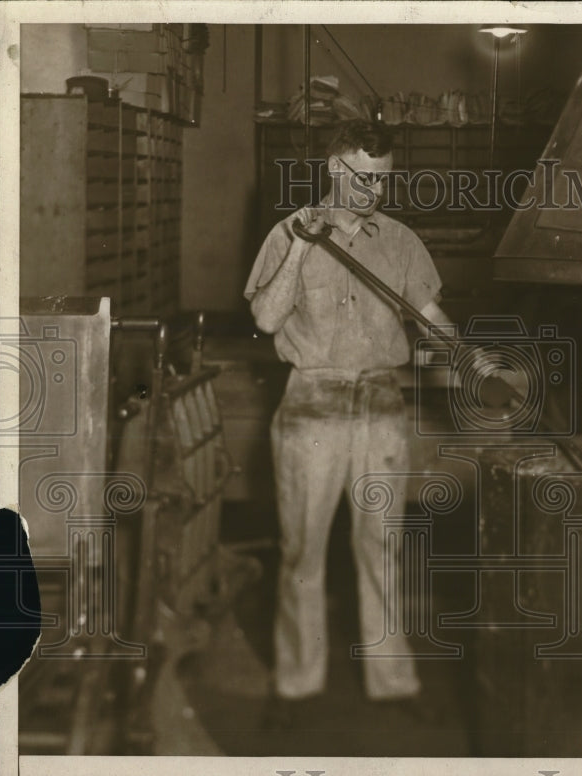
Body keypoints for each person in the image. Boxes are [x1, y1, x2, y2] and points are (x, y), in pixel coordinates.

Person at [244, 119, 453, 725]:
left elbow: (431, 311)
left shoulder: (401, 241)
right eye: (362, 179)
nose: (373, 193)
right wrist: (305, 246)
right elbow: (265, 317)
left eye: (383, 182)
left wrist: (470, 351)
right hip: (313, 401)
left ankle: (392, 685)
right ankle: (298, 685)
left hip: (382, 403)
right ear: (335, 167)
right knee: (303, 550)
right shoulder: (287, 233)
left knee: (382, 547)